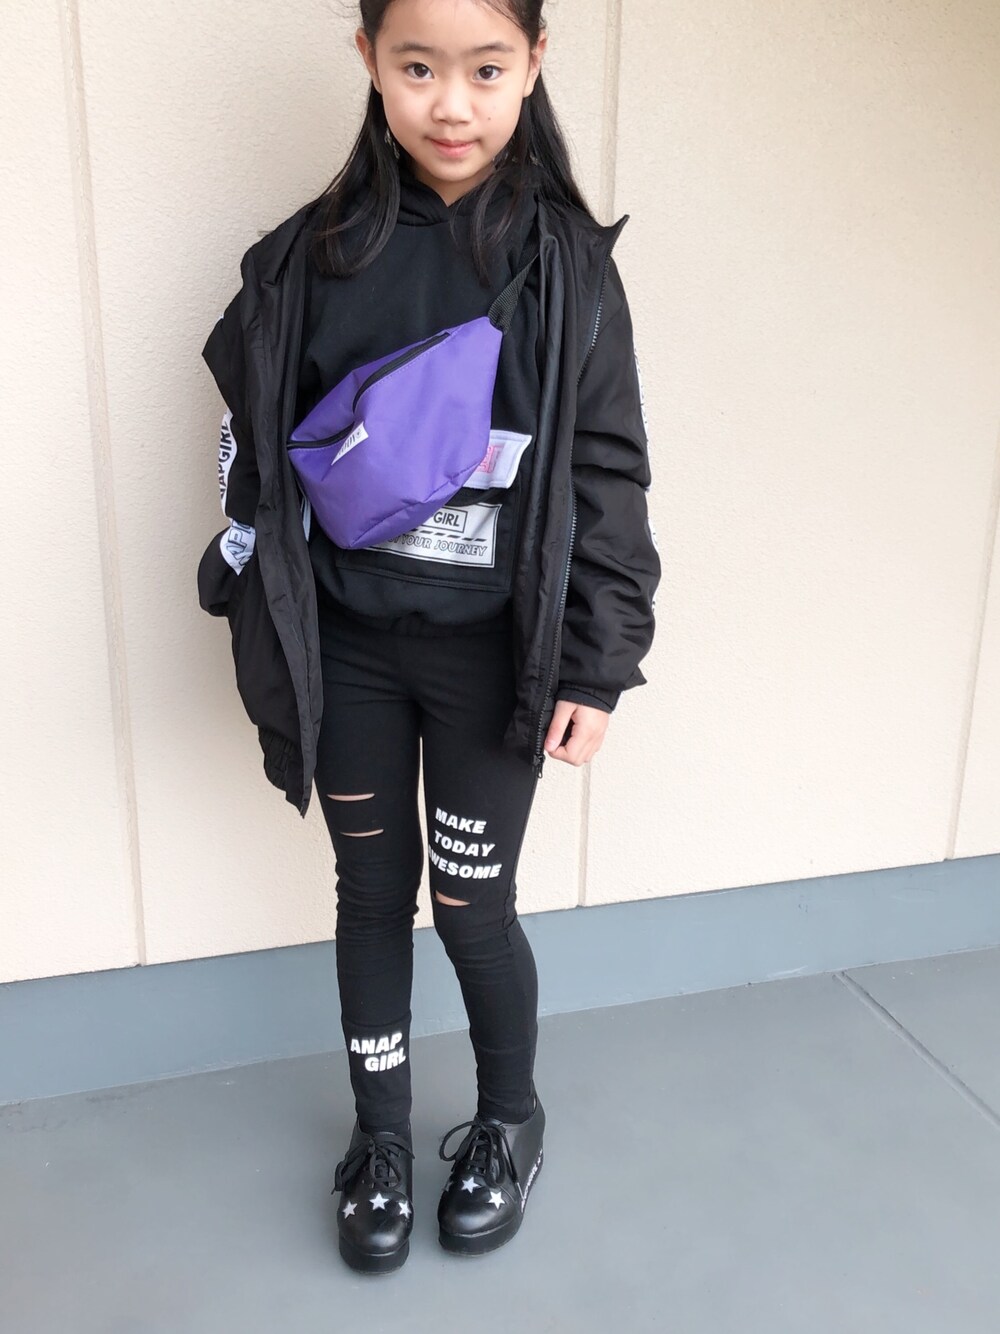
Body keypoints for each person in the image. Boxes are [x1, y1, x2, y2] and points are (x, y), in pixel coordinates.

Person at [196, 0, 660, 1276]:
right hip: (346, 647)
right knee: (369, 892)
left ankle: (510, 1118)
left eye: (484, 68)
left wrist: (599, 659)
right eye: (417, 67)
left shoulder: (565, 266)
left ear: (532, 65)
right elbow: (254, 440)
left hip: (486, 659)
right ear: (370, 63)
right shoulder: (305, 259)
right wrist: (237, 562)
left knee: (469, 902)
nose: (450, 103)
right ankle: (383, 1137)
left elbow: (608, 472)